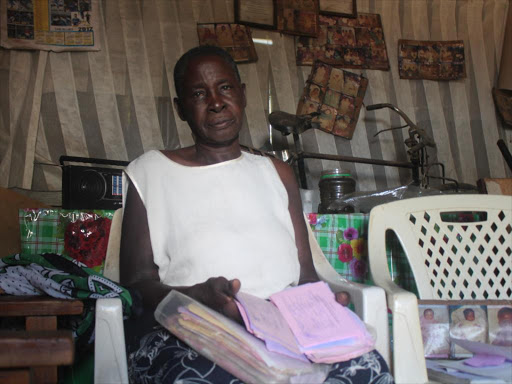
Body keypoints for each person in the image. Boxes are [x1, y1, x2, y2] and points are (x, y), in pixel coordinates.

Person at [120, 45, 393, 383]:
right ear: (181, 109)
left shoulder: (276, 172)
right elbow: (133, 284)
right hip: (195, 325)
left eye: (225, 87)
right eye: (198, 93)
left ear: (243, 94)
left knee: (368, 371)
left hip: (288, 327)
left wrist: (322, 302)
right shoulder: (150, 171)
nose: (216, 102)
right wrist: (198, 296)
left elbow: (305, 274)